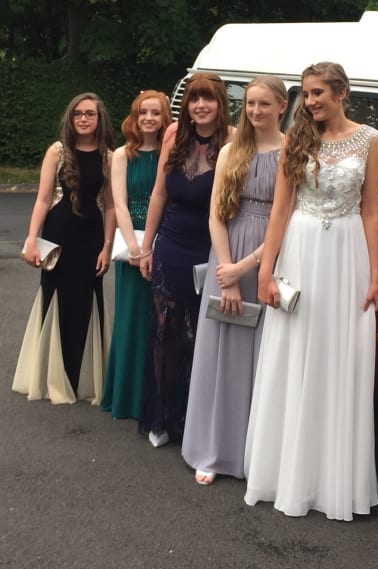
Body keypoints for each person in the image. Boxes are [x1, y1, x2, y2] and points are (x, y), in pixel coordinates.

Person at [243, 62, 378, 520]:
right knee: (294, 353)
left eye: (318, 93)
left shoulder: (370, 139)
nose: (310, 102)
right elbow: (280, 211)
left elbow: (370, 210)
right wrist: (266, 273)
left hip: (346, 255)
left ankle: (332, 478)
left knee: (339, 356)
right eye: (305, 94)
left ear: (341, 93)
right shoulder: (296, 139)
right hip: (301, 251)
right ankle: (286, 473)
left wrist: (376, 276)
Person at [182, 76, 288, 485]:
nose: (256, 111)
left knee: (260, 356)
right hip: (225, 258)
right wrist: (225, 273)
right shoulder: (230, 150)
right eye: (250, 104)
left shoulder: (290, 153)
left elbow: (284, 220)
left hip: (266, 260)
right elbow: (215, 215)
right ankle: (212, 450)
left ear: (282, 107)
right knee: (219, 353)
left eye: (264, 104)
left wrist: (246, 268)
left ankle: (252, 453)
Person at [138, 73, 235, 448]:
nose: (200, 106)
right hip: (171, 246)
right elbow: (159, 194)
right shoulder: (173, 134)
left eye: (208, 99)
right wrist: (147, 246)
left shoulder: (233, 139)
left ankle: (193, 420)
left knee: (203, 337)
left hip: (211, 248)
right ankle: (161, 416)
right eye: (194, 99)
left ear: (220, 103)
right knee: (166, 332)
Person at [13, 92, 116, 404]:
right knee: (55, 297)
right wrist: (32, 240)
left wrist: (107, 248)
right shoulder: (57, 151)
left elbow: (111, 206)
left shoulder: (109, 157)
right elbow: (43, 199)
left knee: (86, 300)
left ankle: (81, 379)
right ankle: (51, 377)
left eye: (89, 114)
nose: (83, 119)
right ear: (70, 119)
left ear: (99, 119)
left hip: (91, 238)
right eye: (77, 114)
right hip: (58, 235)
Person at [101, 90, 172, 419]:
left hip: (164, 242)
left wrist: (154, 247)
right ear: (135, 116)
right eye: (143, 112)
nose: (149, 118)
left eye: (155, 113)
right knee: (131, 319)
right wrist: (135, 249)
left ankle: (154, 397)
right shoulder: (121, 155)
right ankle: (126, 397)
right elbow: (119, 204)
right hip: (132, 248)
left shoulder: (171, 153)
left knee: (159, 320)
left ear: (164, 117)